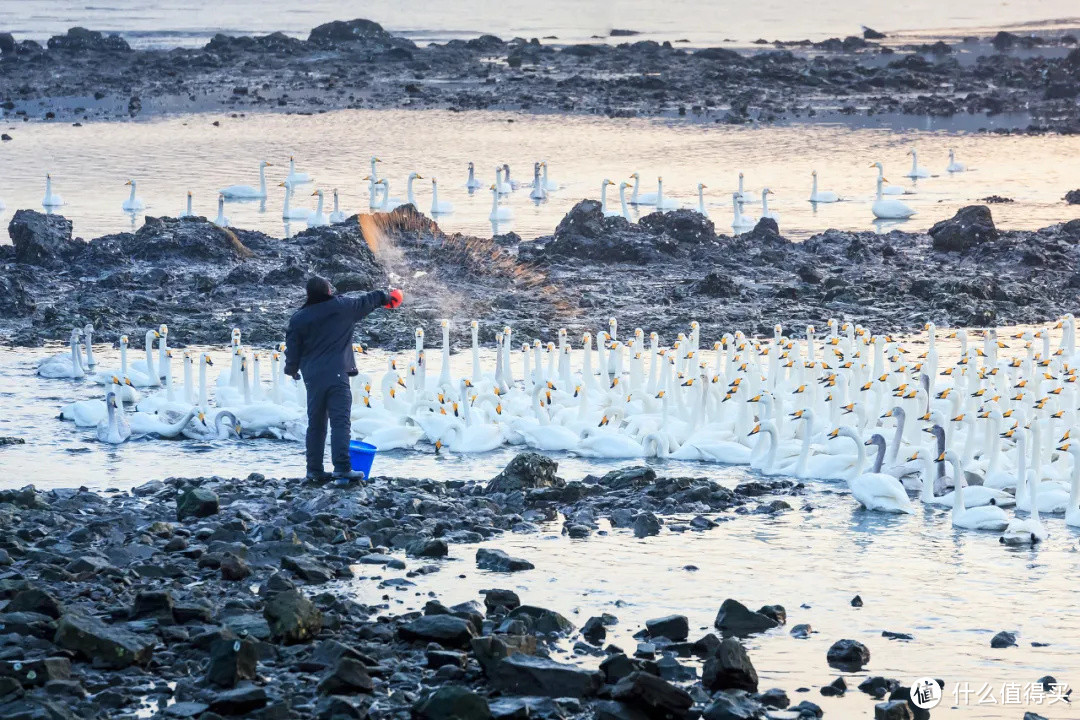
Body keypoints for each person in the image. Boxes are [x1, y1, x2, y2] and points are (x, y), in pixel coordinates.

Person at [284, 276, 403, 482]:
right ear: (328, 291)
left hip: (311, 376)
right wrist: (386, 296)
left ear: (309, 294)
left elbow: (292, 348)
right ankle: (342, 467)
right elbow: (366, 301)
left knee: (316, 424)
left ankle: (314, 471)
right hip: (336, 374)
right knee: (340, 422)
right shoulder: (341, 307)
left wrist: (291, 369)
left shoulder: (298, 318)